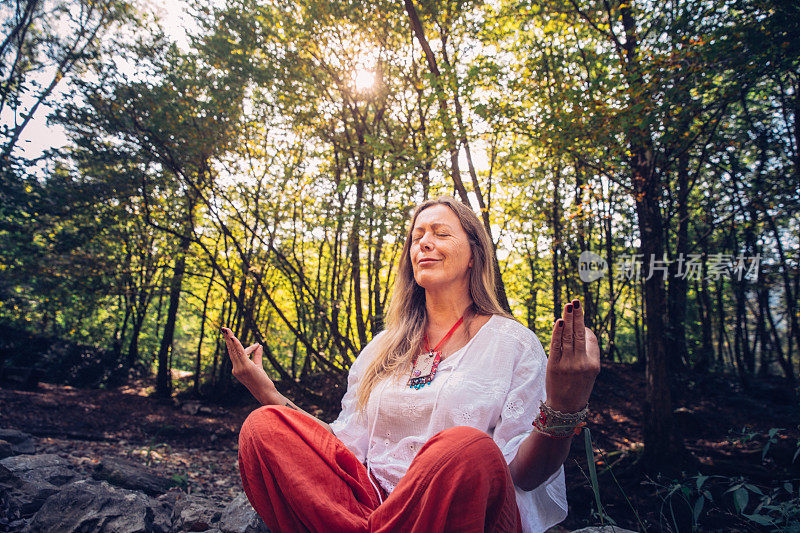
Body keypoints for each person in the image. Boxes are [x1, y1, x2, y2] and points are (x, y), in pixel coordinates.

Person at [222, 196, 601, 533]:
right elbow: (342, 446)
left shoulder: (514, 343)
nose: (424, 243)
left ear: (473, 255)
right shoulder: (381, 348)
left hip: (464, 514)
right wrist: (267, 394)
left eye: (440, 233)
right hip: (368, 506)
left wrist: (564, 407)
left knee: (467, 447)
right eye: (417, 236)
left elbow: (524, 475)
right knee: (264, 427)